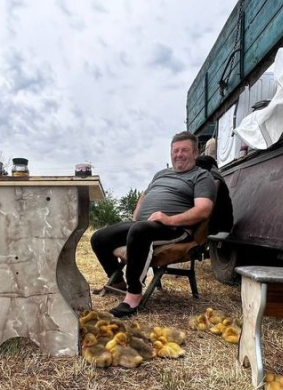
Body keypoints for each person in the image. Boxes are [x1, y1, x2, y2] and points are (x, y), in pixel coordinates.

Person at [91, 132, 216, 317]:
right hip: (144, 224)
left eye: (185, 150)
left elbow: (203, 209)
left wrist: (169, 219)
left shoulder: (202, 176)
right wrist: (136, 215)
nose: (179, 154)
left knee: (140, 231)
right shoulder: (161, 174)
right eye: (175, 150)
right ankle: (117, 282)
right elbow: (145, 194)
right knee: (99, 237)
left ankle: (133, 296)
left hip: (174, 228)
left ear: (195, 153)